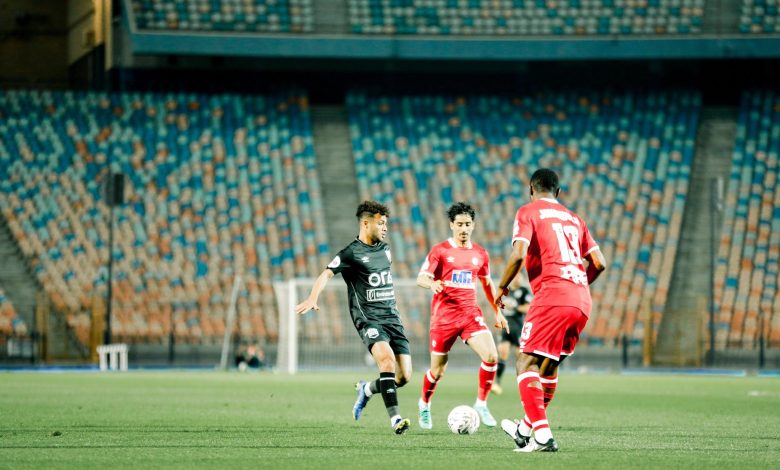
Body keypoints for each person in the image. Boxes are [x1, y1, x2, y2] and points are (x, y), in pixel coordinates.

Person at [494, 168, 607, 453]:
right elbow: (599, 263)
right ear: (558, 192)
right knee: (549, 364)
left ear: (531, 189)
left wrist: (501, 288)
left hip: (552, 295)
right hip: (581, 299)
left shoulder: (528, 212)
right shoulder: (575, 219)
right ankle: (524, 429)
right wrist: (578, 283)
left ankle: (543, 437)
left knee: (525, 362)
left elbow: (518, 254)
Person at [295, 200, 413, 435]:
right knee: (386, 362)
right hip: (369, 320)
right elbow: (326, 274)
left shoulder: (386, 250)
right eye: (381, 223)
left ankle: (366, 389)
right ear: (366, 223)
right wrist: (312, 297)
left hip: (393, 319)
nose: (385, 228)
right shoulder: (351, 253)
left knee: (403, 377)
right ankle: (395, 419)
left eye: (386, 224)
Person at [415, 202, 508, 430]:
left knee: (491, 355)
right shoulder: (440, 251)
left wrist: (498, 311)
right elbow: (421, 277)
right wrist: (432, 283)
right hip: (443, 319)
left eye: (467, 224)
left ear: (473, 225)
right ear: (451, 225)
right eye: (459, 224)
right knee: (438, 371)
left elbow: (487, 284)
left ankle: (481, 404)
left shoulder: (480, 254)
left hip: (469, 316)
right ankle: (424, 404)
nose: (463, 228)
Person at [491, 273, 532, 395]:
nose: (517, 278)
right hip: (506, 326)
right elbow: (498, 306)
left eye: (519, 276)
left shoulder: (524, 291)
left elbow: (528, 308)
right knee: (502, 352)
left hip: (518, 327)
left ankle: (525, 384)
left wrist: (515, 307)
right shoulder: (505, 291)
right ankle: (497, 383)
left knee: (520, 357)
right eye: (515, 276)